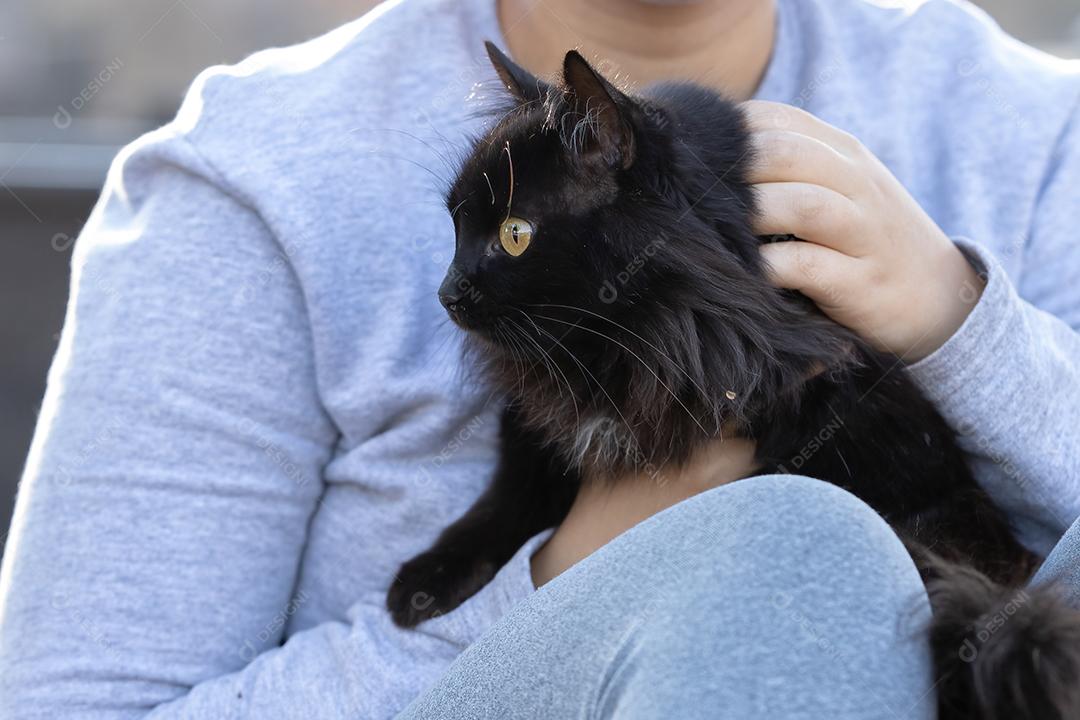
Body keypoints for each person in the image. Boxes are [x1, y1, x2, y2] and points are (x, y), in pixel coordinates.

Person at [1, 0, 1078, 716]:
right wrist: (566, 577)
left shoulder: (1031, 123)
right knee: (793, 554)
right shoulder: (251, 176)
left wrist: (962, 328)